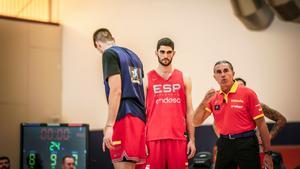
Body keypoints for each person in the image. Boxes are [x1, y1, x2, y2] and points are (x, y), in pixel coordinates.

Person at [193, 60, 273, 169]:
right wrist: (204, 101)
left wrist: (268, 153)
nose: (223, 75)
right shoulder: (213, 97)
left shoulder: (248, 93)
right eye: (219, 72)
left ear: (233, 73)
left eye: (226, 71)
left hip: (246, 143)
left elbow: (262, 124)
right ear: (215, 77)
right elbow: (195, 122)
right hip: (225, 144)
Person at [93, 28, 146, 169]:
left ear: (98, 44)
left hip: (124, 117)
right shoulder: (135, 57)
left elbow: (116, 90)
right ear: (112, 38)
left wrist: (110, 125)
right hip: (140, 119)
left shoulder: (108, 54)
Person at [144, 37, 196, 169]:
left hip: (178, 138)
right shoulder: (147, 79)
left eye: (168, 52)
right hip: (153, 138)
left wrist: (192, 140)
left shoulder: (184, 78)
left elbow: (190, 111)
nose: (165, 56)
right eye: (162, 52)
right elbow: (142, 112)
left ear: (173, 53)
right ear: (156, 53)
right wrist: (141, 141)